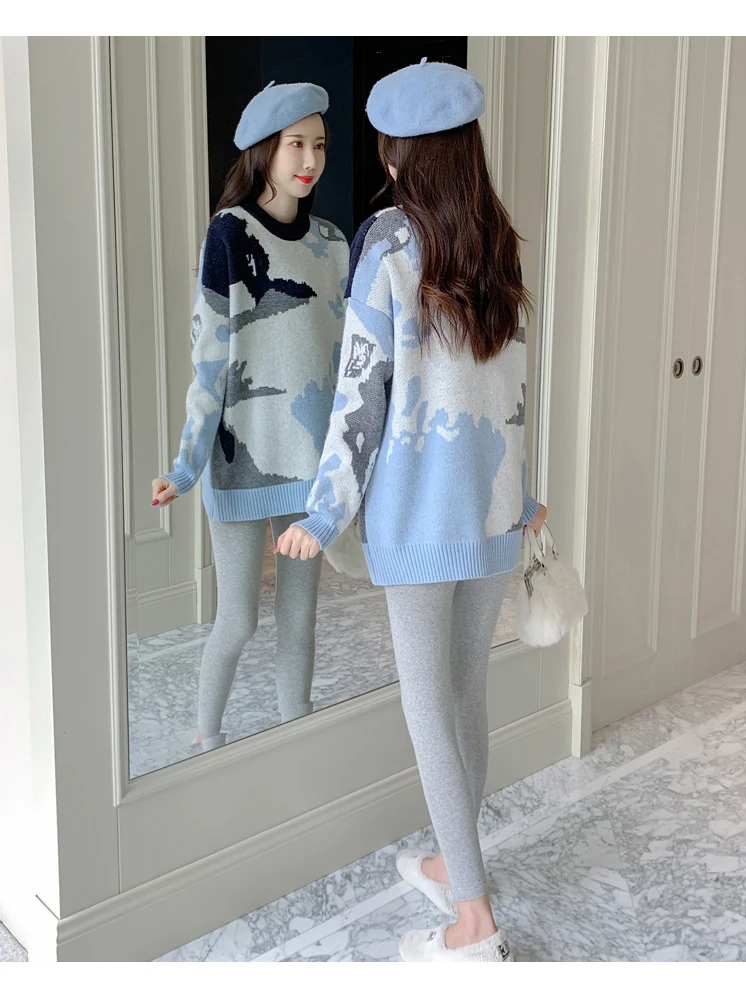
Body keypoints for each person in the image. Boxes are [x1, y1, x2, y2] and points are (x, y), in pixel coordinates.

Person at [276, 59, 547, 962]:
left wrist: (322, 515)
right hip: (494, 512)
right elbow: (513, 393)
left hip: (421, 521)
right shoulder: (499, 243)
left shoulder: (389, 243)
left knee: (430, 707)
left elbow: (361, 396)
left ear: (399, 155)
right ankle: (452, 862)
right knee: (465, 696)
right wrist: (524, 496)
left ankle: (473, 920)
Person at [151, 81, 349, 750]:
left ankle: (296, 740)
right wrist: (185, 466)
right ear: (265, 150)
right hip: (241, 460)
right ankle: (206, 740)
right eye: (296, 144)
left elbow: (346, 365)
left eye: (319, 145)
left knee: (301, 620)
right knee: (237, 620)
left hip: (310, 463)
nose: (311, 160)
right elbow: (210, 362)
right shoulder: (230, 235)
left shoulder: (333, 243)